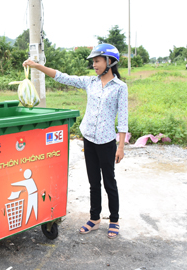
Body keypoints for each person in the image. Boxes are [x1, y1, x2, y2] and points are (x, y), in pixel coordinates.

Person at [23, 43, 128, 239]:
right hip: (89, 139)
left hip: (106, 142)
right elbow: (63, 77)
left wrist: (120, 146)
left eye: (97, 61)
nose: (94, 65)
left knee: (109, 182)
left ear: (110, 62)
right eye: (94, 62)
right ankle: (94, 219)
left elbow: (123, 118)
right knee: (93, 182)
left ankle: (114, 220)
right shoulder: (91, 82)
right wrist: (37, 66)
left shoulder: (120, 88)